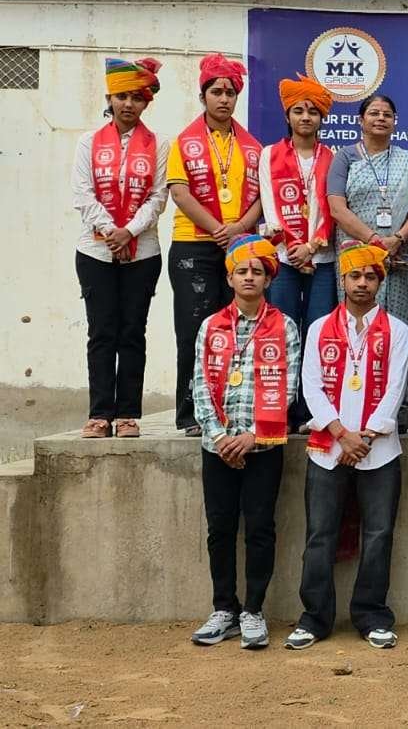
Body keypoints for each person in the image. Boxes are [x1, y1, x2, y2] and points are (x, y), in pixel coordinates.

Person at [285, 242, 408, 652]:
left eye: (370, 276)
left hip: (379, 449)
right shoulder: (320, 328)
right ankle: (314, 618)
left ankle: (372, 615)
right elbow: (311, 387)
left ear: (380, 282)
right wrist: (343, 434)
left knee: (379, 534)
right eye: (354, 276)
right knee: (319, 535)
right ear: (342, 280)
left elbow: (395, 389)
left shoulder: (397, 330)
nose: (362, 283)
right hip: (329, 447)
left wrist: (366, 437)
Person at [188, 235, 300, 651]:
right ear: (229, 278)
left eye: (258, 271)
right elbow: (199, 384)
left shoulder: (285, 327)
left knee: (260, 528)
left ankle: (253, 610)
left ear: (269, 279)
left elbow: (288, 388)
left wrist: (252, 436)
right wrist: (220, 437)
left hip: (263, 446)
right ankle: (224, 609)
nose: (249, 277)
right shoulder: (210, 326)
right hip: (217, 448)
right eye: (242, 271)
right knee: (219, 529)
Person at [168, 53, 264, 437]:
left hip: (240, 246)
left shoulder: (253, 146)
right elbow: (179, 193)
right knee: (194, 329)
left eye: (230, 92)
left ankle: (230, 409)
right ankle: (190, 413)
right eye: (216, 92)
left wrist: (238, 228)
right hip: (193, 246)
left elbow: (263, 196)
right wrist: (217, 229)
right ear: (202, 95)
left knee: (236, 330)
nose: (223, 99)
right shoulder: (184, 141)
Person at [72, 57, 169, 438]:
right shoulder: (87, 142)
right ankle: (99, 414)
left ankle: (128, 414)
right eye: (122, 96)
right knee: (101, 332)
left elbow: (158, 197)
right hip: (95, 252)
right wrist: (111, 231)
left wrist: (129, 231)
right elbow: (82, 194)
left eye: (137, 98)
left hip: (142, 252)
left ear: (146, 102)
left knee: (132, 332)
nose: (129, 104)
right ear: (109, 98)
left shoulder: (158, 144)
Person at [327, 94, 408, 392]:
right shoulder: (345, 157)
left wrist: (398, 238)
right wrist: (373, 241)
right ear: (361, 120)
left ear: (395, 122)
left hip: (400, 254)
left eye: (387, 114)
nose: (381, 118)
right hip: (356, 254)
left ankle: (399, 405)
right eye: (374, 113)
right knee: (357, 324)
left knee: (400, 326)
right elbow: (337, 208)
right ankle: (355, 396)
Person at [260, 75, 338, 431]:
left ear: (322, 118)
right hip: (283, 260)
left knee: (318, 334)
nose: (306, 117)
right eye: (298, 111)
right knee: (283, 333)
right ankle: (282, 409)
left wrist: (312, 246)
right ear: (287, 116)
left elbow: (333, 207)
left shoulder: (332, 157)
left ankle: (311, 411)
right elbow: (269, 204)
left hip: (323, 259)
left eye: (312, 111)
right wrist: (292, 247)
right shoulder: (269, 155)